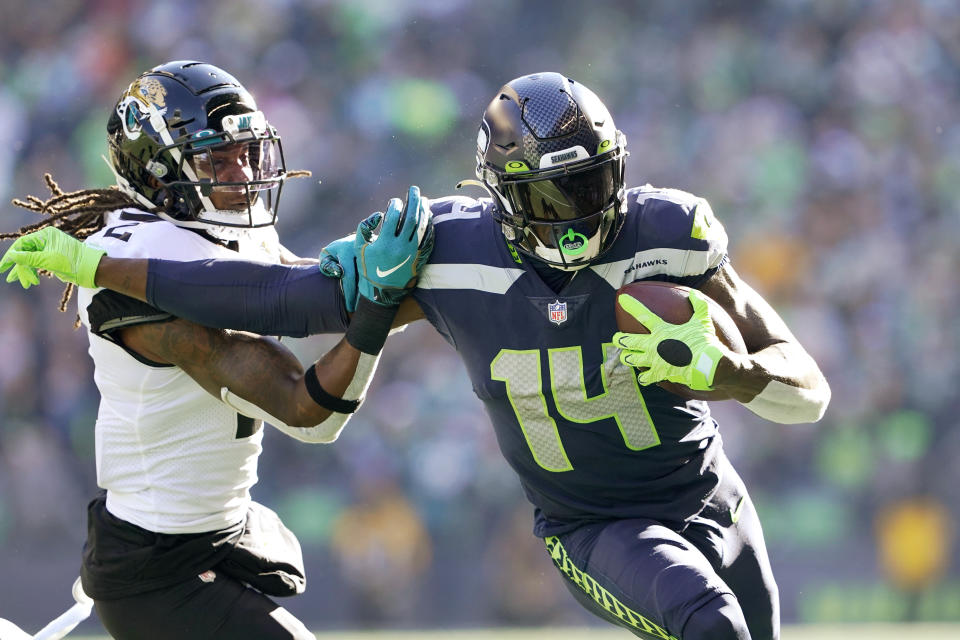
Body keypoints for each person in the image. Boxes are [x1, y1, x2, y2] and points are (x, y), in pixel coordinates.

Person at [3, 72, 829, 640]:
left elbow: (809, 392)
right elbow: (289, 304)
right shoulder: (448, 248)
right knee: (710, 625)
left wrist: (737, 375)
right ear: (500, 195)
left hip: (714, 497)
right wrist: (96, 266)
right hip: (595, 522)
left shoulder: (669, 233)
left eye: (591, 187)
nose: (577, 218)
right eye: (550, 197)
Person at [0, 60, 432, 640]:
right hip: (157, 567)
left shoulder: (215, 227)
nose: (242, 174)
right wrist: (383, 303)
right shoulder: (134, 268)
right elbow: (305, 411)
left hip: (217, 533)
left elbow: (310, 295)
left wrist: (434, 288)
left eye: (248, 153)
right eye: (216, 159)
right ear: (156, 174)